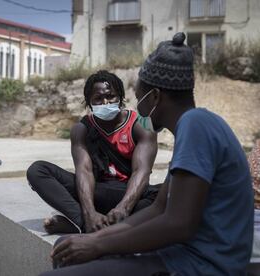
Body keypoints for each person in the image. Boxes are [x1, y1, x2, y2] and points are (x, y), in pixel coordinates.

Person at [41, 32, 254, 276]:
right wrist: (96, 237)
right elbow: (159, 208)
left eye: (137, 95)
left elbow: (178, 224)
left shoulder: (196, 125)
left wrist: (98, 244)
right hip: (183, 253)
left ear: (154, 96)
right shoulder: (195, 125)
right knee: (64, 248)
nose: (136, 105)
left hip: (201, 265)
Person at [26, 70, 159, 234]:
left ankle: (80, 224)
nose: (105, 102)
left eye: (110, 96)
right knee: (38, 170)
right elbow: (84, 171)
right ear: (89, 103)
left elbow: (142, 172)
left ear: (121, 98)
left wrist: (123, 208)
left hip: (128, 194)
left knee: (163, 195)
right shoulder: (82, 129)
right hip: (95, 192)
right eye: (98, 98)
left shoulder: (141, 125)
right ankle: (87, 222)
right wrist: (89, 212)